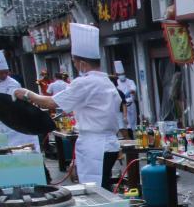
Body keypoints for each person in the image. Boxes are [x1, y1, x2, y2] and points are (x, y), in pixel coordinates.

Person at [13, 24, 121, 189]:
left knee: (95, 189)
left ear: (82, 63)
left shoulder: (85, 82)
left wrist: (28, 94)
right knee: (103, 185)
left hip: (95, 146)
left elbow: (51, 102)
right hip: (109, 144)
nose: (75, 66)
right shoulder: (106, 81)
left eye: (75, 62)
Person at [0, 50, 40, 151]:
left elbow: (8, 105)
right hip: (1, 122)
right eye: (1, 73)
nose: (5, 75)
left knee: (21, 148)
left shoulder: (13, 83)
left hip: (16, 121)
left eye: (6, 72)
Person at [113, 60, 138, 129]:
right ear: (117, 75)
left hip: (131, 104)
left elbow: (133, 90)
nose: (122, 76)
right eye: (120, 74)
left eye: (123, 74)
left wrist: (129, 92)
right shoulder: (116, 83)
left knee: (133, 122)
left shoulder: (130, 81)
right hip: (122, 106)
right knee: (125, 123)